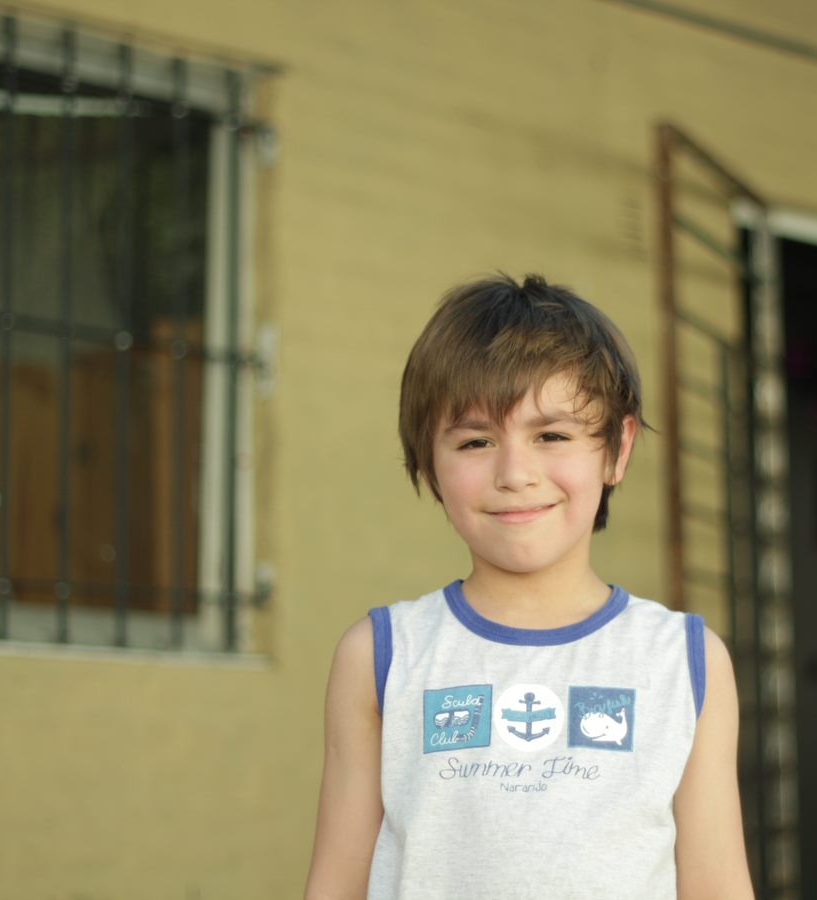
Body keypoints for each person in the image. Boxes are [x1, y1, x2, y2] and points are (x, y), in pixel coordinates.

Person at [304, 274, 753, 900]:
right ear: (429, 463)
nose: (515, 473)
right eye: (476, 441)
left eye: (552, 436)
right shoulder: (381, 655)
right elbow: (336, 886)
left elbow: (716, 885)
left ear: (616, 449)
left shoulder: (685, 659)